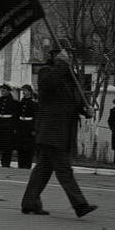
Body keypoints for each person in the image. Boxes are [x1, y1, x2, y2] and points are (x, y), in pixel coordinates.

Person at [19, 46, 97, 218]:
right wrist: (61, 63)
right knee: (64, 170)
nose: (68, 57)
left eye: (69, 54)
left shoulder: (70, 77)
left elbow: (72, 102)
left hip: (63, 131)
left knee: (43, 170)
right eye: (64, 54)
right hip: (51, 130)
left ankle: (29, 202)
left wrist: (86, 110)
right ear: (54, 56)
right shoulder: (46, 73)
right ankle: (80, 205)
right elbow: (50, 87)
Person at [14, 84, 38, 168]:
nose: (23, 92)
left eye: (25, 91)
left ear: (30, 92)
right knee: (20, 146)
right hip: (21, 126)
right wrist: (16, 127)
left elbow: (36, 117)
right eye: (23, 91)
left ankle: (27, 164)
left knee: (28, 147)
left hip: (29, 126)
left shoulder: (34, 104)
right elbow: (17, 115)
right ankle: (20, 164)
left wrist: (34, 129)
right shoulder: (21, 103)